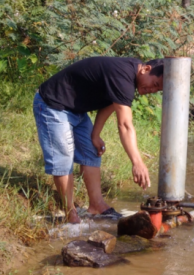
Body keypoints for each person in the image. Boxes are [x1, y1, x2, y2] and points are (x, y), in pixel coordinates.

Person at [33, 56, 164, 223]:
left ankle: (96, 205)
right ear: (146, 69)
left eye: (157, 90)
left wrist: (95, 134)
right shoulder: (122, 74)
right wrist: (137, 162)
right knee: (63, 157)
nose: (153, 90)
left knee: (91, 152)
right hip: (53, 104)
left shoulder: (130, 75)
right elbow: (124, 125)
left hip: (77, 110)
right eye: (154, 84)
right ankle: (70, 213)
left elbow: (111, 102)